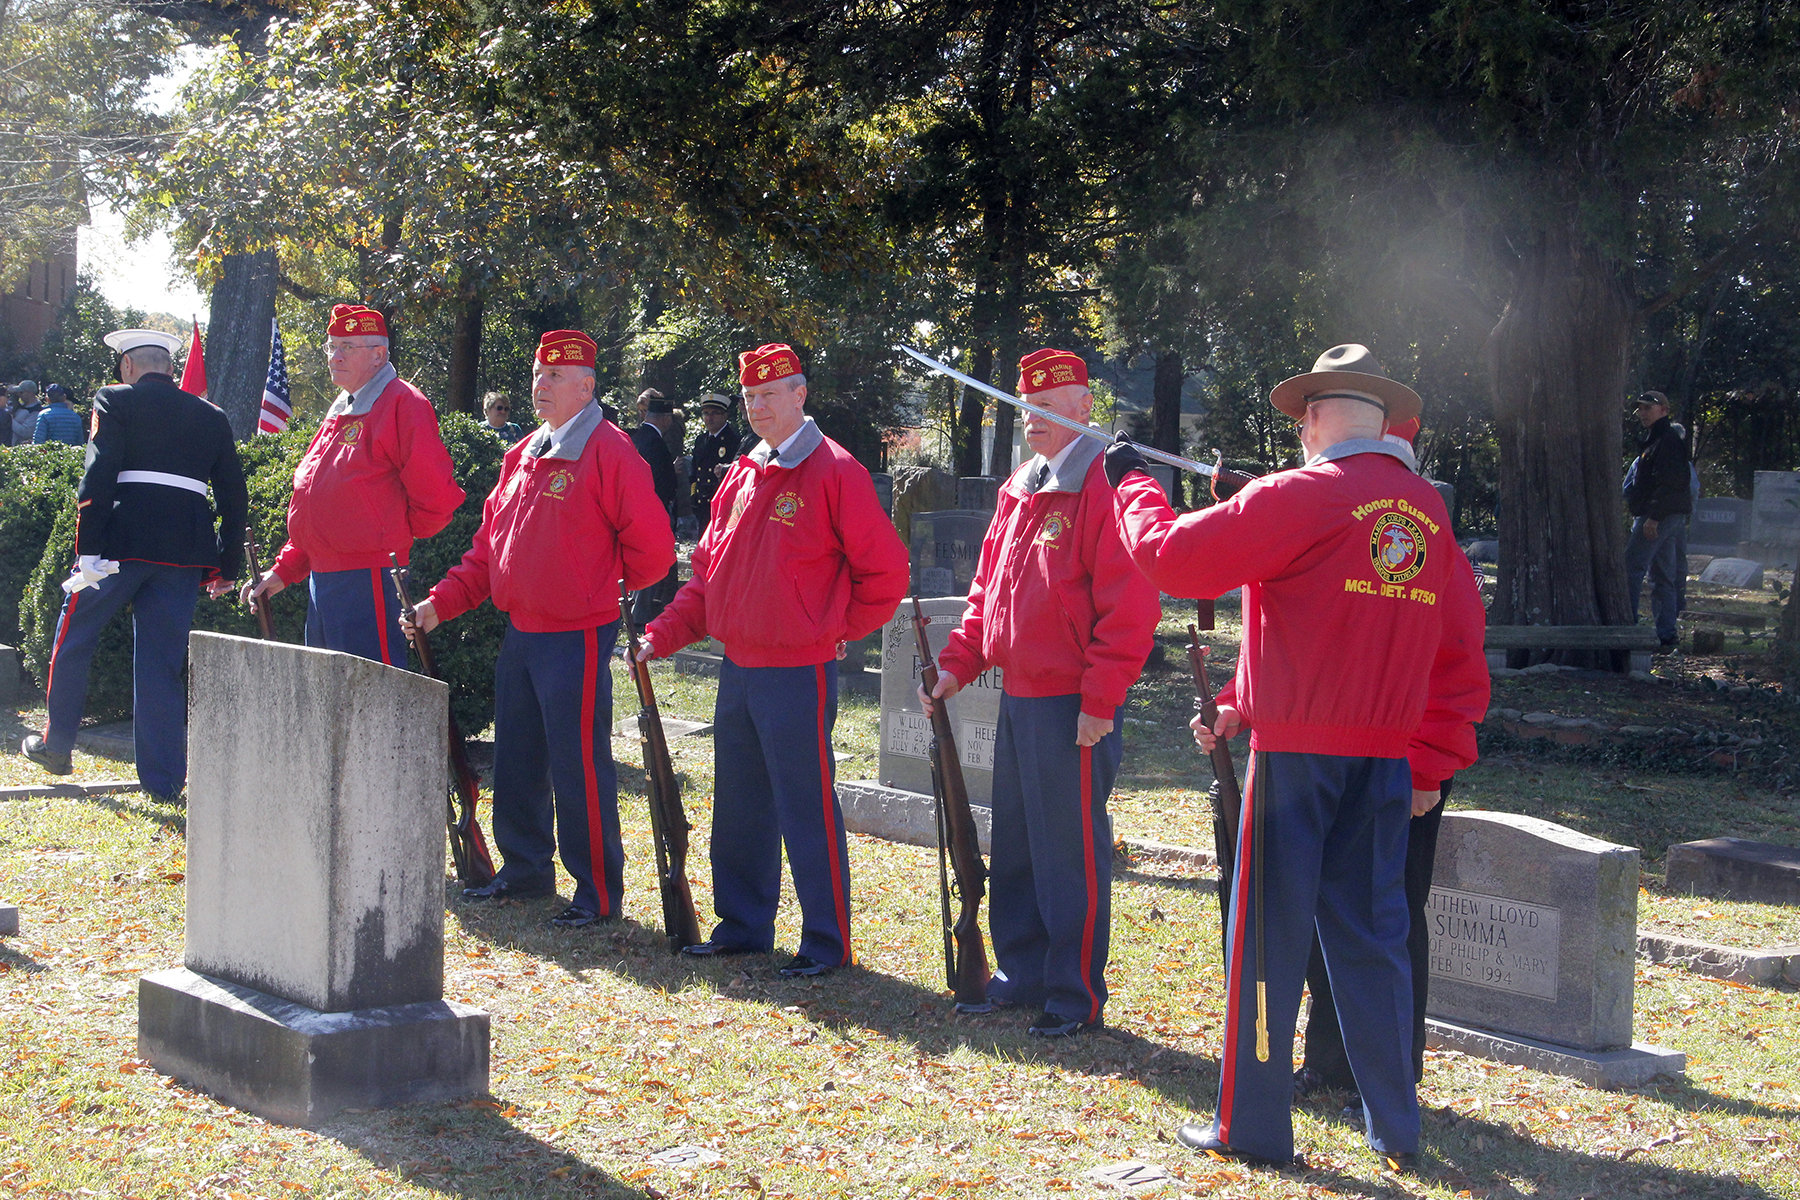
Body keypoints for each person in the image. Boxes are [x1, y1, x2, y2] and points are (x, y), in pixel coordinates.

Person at [1104, 343, 1488, 1170]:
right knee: (1375, 940)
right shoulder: (1424, 513)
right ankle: (1397, 1126)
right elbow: (1441, 643)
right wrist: (1430, 756)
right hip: (1383, 762)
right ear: (1382, 419)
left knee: (1267, 942)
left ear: (1314, 418)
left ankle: (1253, 1125)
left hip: (1297, 763)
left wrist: (1131, 484)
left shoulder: (1305, 491)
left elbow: (1172, 557)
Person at [637, 343, 908, 977]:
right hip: (739, 666)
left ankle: (825, 939)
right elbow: (709, 578)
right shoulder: (741, 471)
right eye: (750, 396)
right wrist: (662, 635)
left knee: (804, 804)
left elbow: (886, 572)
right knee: (739, 803)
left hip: (797, 669)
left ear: (799, 394)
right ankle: (743, 924)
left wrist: (836, 629)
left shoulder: (834, 471)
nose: (758, 406)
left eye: (771, 393)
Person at [919, 349, 1160, 1037]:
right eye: (1029, 407)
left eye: (1051, 407)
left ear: (1086, 408)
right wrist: (958, 664)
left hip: (1072, 703)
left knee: (1069, 852)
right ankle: (1022, 972)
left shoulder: (1104, 486)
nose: (1037, 419)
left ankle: (1073, 990)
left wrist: (1100, 700)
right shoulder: (1022, 485)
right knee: (1019, 843)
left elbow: (1131, 607)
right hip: (1018, 696)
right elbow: (986, 593)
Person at [404, 331, 675, 927]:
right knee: (520, 756)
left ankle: (597, 891)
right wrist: (437, 604)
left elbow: (654, 554)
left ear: (587, 386)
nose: (539, 386)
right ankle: (525, 870)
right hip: (521, 630)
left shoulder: (610, 450)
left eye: (555, 377)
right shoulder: (522, 452)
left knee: (578, 762)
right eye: (536, 376)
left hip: (578, 632)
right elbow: (486, 553)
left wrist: (593, 585)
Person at [1292, 416, 1479, 1102]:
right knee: (1333, 916)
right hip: (1346, 755)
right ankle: (1334, 1064)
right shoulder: (1343, 535)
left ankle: (1388, 1070)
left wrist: (1428, 763)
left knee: (1389, 918)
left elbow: (1456, 665)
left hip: (1405, 765)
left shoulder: (1429, 545)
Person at [21, 330, 247, 801]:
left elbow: (99, 471)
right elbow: (232, 494)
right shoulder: (212, 415)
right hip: (184, 554)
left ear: (127, 367)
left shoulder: (115, 399)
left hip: (118, 546)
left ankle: (56, 744)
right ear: (167, 367)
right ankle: (163, 782)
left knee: (75, 636)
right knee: (161, 665)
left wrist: (87, 548)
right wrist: (226, 565)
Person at [240, 304, 464, 664]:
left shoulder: (402, 402)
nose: (334, 356)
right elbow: (317, 507)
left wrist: (387, 537)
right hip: (324, 580)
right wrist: (283, 572)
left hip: (368, 579)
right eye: (331, 346)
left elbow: (436, 497)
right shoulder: (343, 408)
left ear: (378, 355)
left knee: (372, 701)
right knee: (331, 703)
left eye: (347, 346)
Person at [1624, 391, 1691, 649]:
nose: (1642, 412)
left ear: (1663, 410)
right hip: (1666, 514)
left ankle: (1627, 627)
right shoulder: (1655, 439)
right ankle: (1667, 634)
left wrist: (1653, 517)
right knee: (1663, 575)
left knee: (1631, 567)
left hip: (1661, 515)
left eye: (1648, 408)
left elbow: (1671, 483)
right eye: (1640, 408)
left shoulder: (1668, 440)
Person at [629, 388, 681, 624]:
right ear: (666, 418)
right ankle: (640, 615)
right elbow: (660, 481)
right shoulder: (656, 444)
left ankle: (638, 611)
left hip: (636, 508)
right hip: (652, 510)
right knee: (649, 561)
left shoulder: (638, 438)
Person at [689, 394, 742, 537]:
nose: (709, 418)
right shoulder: (701, 440)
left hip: (721, 503)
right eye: (706, 413)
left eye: (715, 413)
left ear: (725, 415)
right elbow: (694, 472)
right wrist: (694, 495)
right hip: (702, 504)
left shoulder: (733, 440)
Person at [8, 380, 44, 446]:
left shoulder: (36, 411)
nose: (19, 395)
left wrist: (9, 419)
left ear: (30, 393)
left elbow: (26, 432)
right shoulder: (22, 406)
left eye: (21, 392)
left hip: (21, 447)